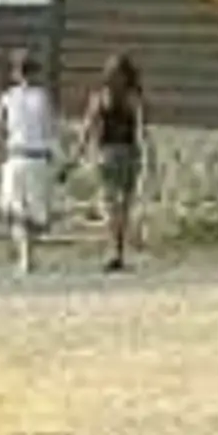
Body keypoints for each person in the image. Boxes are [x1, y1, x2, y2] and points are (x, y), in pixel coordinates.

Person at [0, 50, 60, 273]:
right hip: (38, 157)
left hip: (17, 156)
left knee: (15, 209)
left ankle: (25, 256)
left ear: (16, 73)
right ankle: (29, 254)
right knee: (34, 211)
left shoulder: (8, 97)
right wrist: (56, 155)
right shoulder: (43, 97)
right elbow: (50, 129)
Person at [76, 52, 149, 271]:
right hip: (128, 152)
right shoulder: (133, 97)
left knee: (109, 203)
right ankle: (119, 249)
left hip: (106, 153)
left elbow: (87, 126)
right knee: (125, 203)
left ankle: (113, 248)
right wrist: (147, 154)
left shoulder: (100, 96)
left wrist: (78, 153)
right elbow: (141, 129)